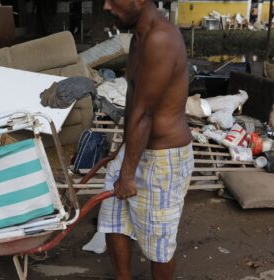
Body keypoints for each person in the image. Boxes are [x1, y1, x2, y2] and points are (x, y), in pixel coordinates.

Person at [98, 1, 194, 280]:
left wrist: (127, 173)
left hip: (164, 159)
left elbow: (146, 113)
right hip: (137, 147)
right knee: (114, 217)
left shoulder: (160, 39)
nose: (106, 6)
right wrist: (121, 152)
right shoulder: (139, 38)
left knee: (159, 242)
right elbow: (133, 99)